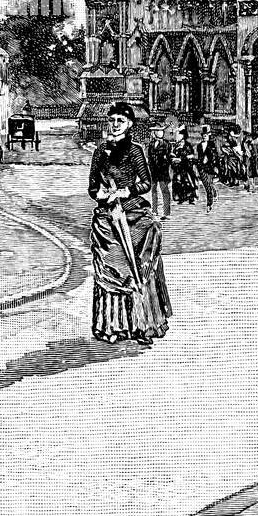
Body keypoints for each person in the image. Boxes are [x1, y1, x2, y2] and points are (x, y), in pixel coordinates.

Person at [88, 102, 171, 345]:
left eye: (120, 121)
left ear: (130, 124)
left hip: (133, 214)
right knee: (110, 267)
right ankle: (112, 325)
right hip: (108, 217)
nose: (115, 125)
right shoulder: (100, 151)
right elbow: (92, 186)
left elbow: (146, 183)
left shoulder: (135, 151)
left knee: (140, 266)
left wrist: (126, 191)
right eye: (112, 120)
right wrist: (101, 195)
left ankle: (142, 323)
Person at [147, 123, 174, 220]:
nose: (160, 132)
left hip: (163, 172)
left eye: (161, 130)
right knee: (153, 191)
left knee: (165, 191)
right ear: (154, 132)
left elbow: (168, 158)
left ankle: (166, 213)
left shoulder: (166, 144)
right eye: (158, 131)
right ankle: (154, 211)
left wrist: (167, 159)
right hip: (154, 172)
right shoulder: (151, 144)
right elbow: (149, 158)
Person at [194, 125, 218, 211]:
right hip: (202, 168)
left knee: (210, 184)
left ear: (209, 135)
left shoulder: (212, 145)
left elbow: (215, 156)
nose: (204, 136)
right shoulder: (199, 146)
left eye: (206, 135)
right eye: (203, 135)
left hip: (210, 167)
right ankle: (210, 203)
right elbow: (199, 157)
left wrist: (210, 161)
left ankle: (210, 203)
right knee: (207, 186)